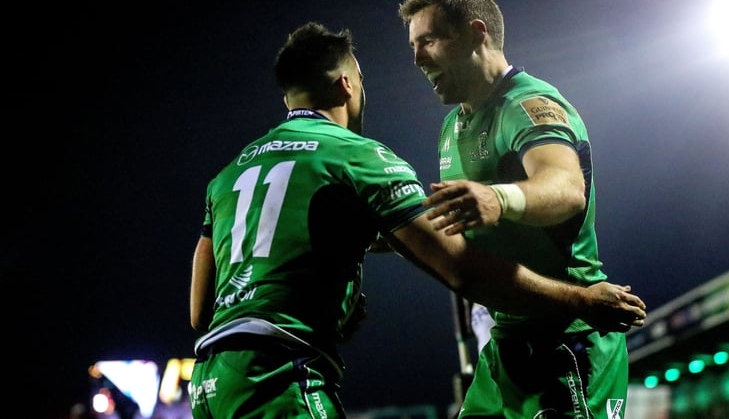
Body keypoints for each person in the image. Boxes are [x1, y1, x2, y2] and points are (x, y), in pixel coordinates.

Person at [188, 21, 646, 419]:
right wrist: (581, 300)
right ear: (348, 84)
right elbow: (462, 269)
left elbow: (199, 311)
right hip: (281, 374)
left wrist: (326, 296)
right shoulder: (358, 157)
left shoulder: (229, 174)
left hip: (209, 382)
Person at [399, 0, 640, 419]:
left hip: (567, 336)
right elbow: (457, 223)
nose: (416, 58)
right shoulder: (452, 128)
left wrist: (499, 198)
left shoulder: (526, 103)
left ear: (476, 33)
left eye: (428, 40)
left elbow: (566, 189)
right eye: (413, 45)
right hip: (505, 342)